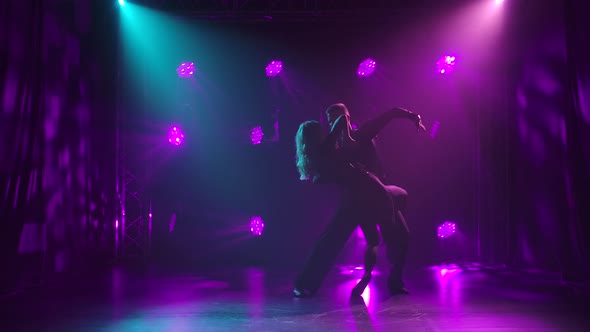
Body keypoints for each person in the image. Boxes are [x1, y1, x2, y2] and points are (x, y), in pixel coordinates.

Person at [294, 104, 425, 298]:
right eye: (328, 121)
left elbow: (387, 115)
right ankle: (306, 284)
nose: (331, 124)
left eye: (333, 119)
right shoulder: (332, 146)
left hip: (376, 194)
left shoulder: (358, 135)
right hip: (356, 201)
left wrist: (412, 115)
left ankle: (394, 280)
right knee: (332, 241)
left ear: (345, 117)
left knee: (401, 236)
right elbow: (325, 172)